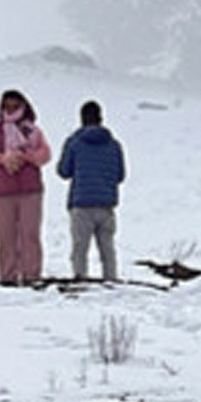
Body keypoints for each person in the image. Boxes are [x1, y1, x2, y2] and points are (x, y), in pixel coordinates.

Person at [0, 88, 51, 284]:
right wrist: (2, 158)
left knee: (30, 234)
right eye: (7, 106)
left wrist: (26, 157)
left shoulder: (34, 131)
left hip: (30, 190)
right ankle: (7, 275)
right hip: (2, 191)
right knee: (6, 236)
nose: (10, 110)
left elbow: (45, 155)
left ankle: (31, 275)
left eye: (14, 106)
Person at [55, 100, 126, 282]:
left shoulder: (74, 143)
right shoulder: (114, 145)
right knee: (107, 247)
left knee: (80, 247)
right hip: (106, 204)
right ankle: (110, 277)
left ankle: (81, 277)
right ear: (101, 118)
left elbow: (64, 171)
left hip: (81, 203)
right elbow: (120, 175)